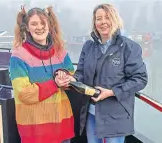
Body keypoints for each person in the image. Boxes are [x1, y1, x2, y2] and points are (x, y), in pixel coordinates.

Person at [60, 3, 148, 143]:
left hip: (116, 115)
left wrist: (111, 92)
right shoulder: (88, 46)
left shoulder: (129, 47)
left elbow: (140, 79)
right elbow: (81, 73)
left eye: (107, 17)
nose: (103, 22)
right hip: (91, 112)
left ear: (115, 19)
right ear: (94, 23)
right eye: (98, 18)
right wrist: (71, 79)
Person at [9, 6, 75, 143]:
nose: (39, 27)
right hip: (35, 130)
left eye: (43, 23)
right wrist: (55, 84)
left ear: (50, 25)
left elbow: (73, 77)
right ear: (27, 28)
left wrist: (67, 78)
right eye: (34, 24)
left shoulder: (60, 52)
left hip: (62, 124)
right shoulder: (18, 56)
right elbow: (24, 94)